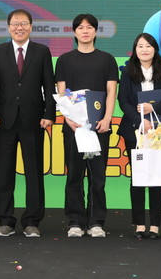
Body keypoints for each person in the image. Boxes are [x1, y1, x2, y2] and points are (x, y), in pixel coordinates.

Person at [0, 9, 56, 238]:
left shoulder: (42, 51)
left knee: (34, 172)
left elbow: (49, 85)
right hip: (3, 120)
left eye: (24, 23)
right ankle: (5, 220)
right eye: (15, 24)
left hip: (33, 120)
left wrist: (49, 114)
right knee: (3, 172)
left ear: (31, 27)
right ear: (8, 27)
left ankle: (32, 221)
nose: (19, 28)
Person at [54, 14, 119, 238]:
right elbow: (62, 94)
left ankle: (96, 222)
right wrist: (69, 120)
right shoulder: (64, 60)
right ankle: (75, 221)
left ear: (95, 31)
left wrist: (107, 119)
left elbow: (111, 91)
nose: (85, 31)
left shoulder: (107, 60)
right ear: (74, 32)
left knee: (97, 176)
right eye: (80, 27)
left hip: (99, 127)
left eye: (89, 27)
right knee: (74, 175)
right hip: (73, 127)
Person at [117, 33, 161, 240]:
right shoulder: (127, 72)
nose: (144, 50)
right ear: (135, 50)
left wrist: (152, 107)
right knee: (137, 177)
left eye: (148, 46)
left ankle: (154, 225)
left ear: (155, 49)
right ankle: (138, 224)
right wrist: (139, 120)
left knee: (156, 176)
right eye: (140, 46)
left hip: (160, 131)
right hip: (135, 131)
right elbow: (123, 101)